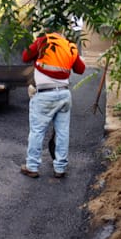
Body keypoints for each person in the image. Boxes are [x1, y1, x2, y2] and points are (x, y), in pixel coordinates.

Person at [20, 31, 86, 179]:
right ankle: (60, 168)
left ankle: (32, 167)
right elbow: (80, 69)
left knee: (37, 131)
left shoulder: (43, 42)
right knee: (63, 132)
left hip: (44, 94)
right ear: (62, 34)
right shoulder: (69, 46)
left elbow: (25, 57)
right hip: (64, 94)